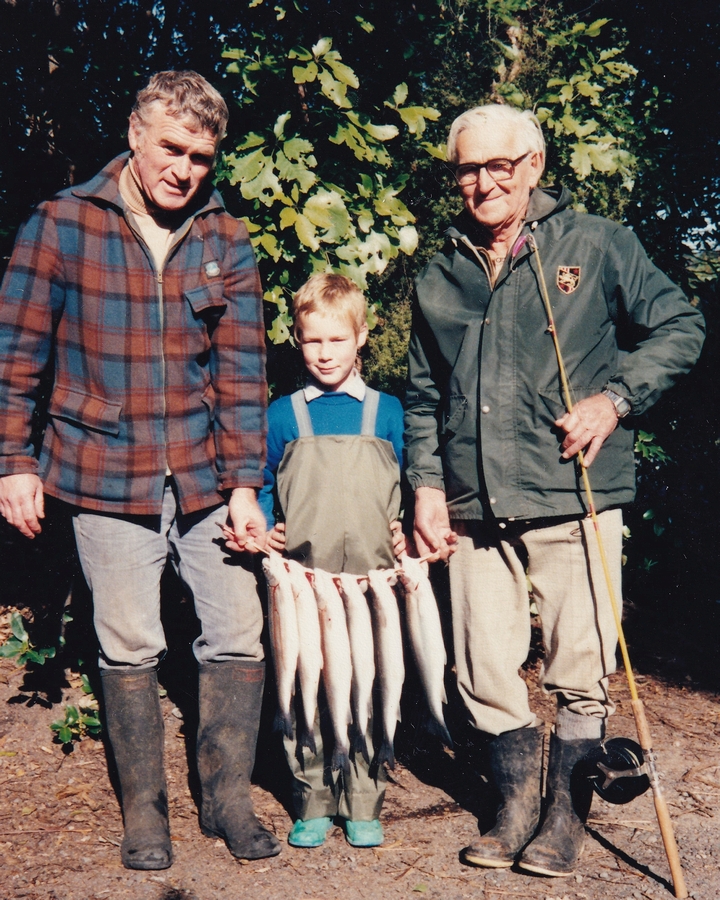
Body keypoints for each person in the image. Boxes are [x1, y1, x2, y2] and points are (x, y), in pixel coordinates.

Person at [404, 104, 704, 878]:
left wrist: (615, 400)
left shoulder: (596, 244)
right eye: (466, 168)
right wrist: (427, 487)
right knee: (482, 666)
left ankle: (564, 820)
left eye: (497, 165)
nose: (481, 182)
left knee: (579, 663)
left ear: (534, 165)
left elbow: (679, 325)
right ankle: (510, 813)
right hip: (473, 504)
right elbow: (422, 397)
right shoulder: (440, 273)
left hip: (575, 492)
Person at [0, 71, 280, 870]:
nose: (185, 169)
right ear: (134, 134)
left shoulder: (226, 237)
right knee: (127, 643)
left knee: (237, 629)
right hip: (101, 470)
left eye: (200, 156)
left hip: (203, 473)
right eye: (171, 148)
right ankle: (146, 814)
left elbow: (241, 374)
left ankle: (227, 800)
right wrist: (13, 461)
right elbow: (16, 355)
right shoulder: (61, 223)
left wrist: (246, 485)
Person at [258, 273, 404, 850]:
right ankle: (312, 797)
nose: (325, 353)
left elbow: (412, 484)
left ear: (361, 337)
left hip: (371, 584)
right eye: (312, 340)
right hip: (303, 583)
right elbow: (264, 482)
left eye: (337, 340)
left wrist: (405, 522)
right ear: (297, 339)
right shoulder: (284, 415)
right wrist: (266, 526)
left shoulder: (388, 412)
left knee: (366, 687)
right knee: (307, 688)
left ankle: (365, 797)